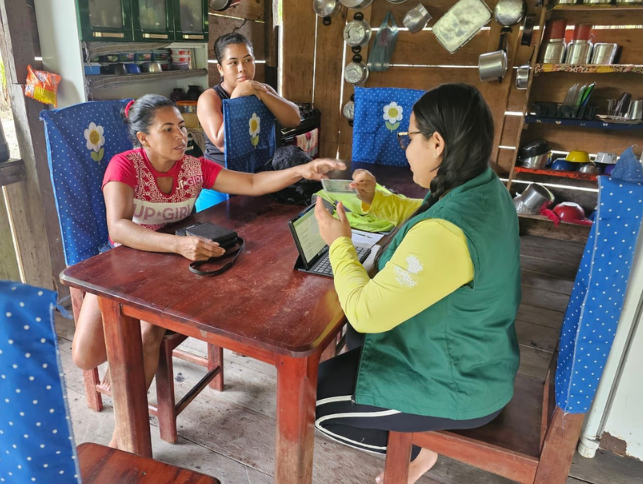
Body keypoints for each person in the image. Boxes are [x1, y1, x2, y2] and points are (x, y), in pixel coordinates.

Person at [70, 94, 344, 449]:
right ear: (144, 138)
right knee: (85, 356)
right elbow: (118, 228)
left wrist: (301, 170)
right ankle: (125, 373)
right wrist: (178, 245)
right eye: (167, 129)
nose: (180, 136)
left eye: (182, 127)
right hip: (127, 264)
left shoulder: (193, 167)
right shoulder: (124, 166)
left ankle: (123, 438)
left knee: (150, 331)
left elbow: (250, 183)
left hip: (176, 271)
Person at [312, 83, 521, 484]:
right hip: (475, 355)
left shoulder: (447, 231)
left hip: (455, 383)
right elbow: (424, 211)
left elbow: (367, 312)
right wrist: (378, 199)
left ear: (437, 143)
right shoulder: (483, 188)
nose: (406, 148)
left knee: (311, 401)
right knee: (352, 338)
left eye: (409, 138)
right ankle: (421, 441)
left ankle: (426, 445)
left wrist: (339, 242)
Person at [198, 32, 301, 166]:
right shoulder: (210, 98)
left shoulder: (262, 89)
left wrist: (263, 94)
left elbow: (294, 120)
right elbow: (223, 144)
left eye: (248, 60)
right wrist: (237, 96)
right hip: (222, 176)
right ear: (220, 68)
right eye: (233, 62)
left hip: (259, 169)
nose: (242, 68)